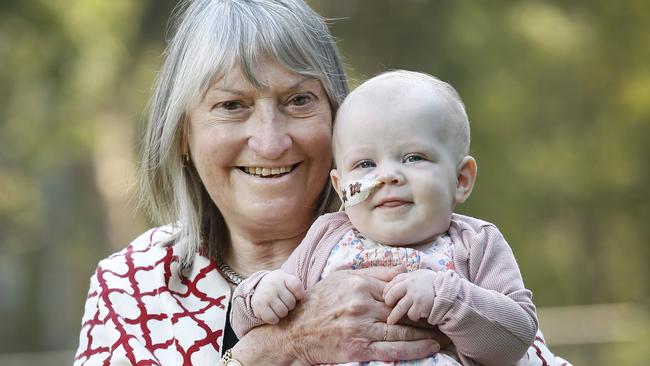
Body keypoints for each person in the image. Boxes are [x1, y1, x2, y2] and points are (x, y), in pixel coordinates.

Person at [74, 0, 570, 365]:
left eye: (299, 101)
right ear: (184, 135)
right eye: (232, 105)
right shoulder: (134, 284)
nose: (269, 143)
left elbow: (516, 340)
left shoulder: (445, 244)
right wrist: (278, 347)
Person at [230, 70, 537, 366]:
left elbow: (517, 337)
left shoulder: (475, 243)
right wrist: (261, 293)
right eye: (365, 163)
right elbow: (248, 324)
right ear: (341, 188)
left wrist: (447, 298)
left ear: (461, 179)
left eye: (414, 158)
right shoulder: (326, 237)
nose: (388, 175)